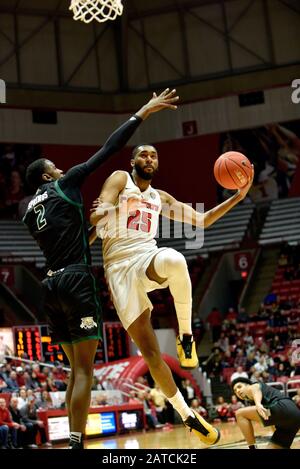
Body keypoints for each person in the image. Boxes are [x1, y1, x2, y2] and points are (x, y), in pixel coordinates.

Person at [22, 88, 178, 450]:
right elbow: (109, 149)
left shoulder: (27, 210)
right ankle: (77, 443)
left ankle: (73, 441)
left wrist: (98, 228)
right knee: (85, 371)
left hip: (49, 285)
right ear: (48, 177)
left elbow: (71, 236)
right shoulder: (64, 184)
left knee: (74, 373)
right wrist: (143, 113)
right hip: (76, 280)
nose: (61, 170)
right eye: (55, 169)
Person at [90, 144, 254, 445]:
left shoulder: (159, 197)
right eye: (144, 154)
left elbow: (202, 221)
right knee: (151, 354)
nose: (149, 159)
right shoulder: (119, 179)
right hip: (118, 269)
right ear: (133, 161)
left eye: (154, 155)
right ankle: (188, 416)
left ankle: (186, 337)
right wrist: (113, 210)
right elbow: (97, 213)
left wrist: (238, 197)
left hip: (146, 257)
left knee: (176, 260)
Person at [232, 377, 300, 449]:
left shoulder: (253, 386)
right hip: (293, 419)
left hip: (283, 406)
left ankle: (252, 448)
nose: (238, 391)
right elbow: (272, 420)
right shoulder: (264, 405)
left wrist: (258, 404)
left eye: (239, 387)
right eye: (235, 391)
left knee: (239, 414)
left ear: (248, 385)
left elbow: (255, 389)